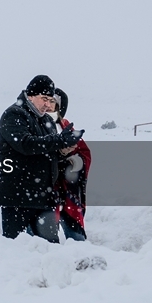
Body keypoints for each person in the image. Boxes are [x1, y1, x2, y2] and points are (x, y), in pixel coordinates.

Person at [0, 75, 83, 243]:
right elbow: (25, 145)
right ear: (30, 95)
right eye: (44, 99)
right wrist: (59, 141)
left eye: (50, 100)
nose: (48, 105)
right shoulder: (13, 115)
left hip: (44, 197)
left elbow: (48, 152)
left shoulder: (47, 121)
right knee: (15, 249)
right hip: (18, 196)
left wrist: (63, 151)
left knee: (50, 249)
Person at [50, 89, 91, 241]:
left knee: (75, 233)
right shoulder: (35, 126)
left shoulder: (65, 126)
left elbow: (84, 152)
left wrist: (73, 160)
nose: (48, 105)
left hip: (67, 190)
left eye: (53, 102)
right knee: (43, 235)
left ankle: (79, 253)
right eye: (46, 100)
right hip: (45, 188)